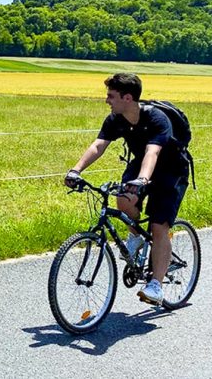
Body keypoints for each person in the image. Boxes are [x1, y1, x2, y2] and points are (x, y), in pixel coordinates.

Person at [65, 73, 191, 305]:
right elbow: (99, 145)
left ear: (128, 97)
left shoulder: (157, 118)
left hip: (170, 169)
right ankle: (136, 238)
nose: (107, 101)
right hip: (141, 163)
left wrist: (142, 180)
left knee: (159, 225)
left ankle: (156, 285)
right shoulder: (115, 119)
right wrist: (76, 170)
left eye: (111, 96)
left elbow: (153, 152)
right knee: (123, 200)